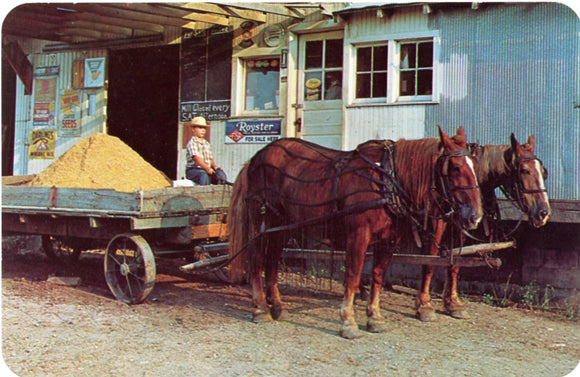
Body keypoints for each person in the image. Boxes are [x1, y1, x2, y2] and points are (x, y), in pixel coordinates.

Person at [185, 116, 228, 185]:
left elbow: (210, 159)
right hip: (193, 170)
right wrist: (207, 168)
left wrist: (215, 167)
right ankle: (204, 193)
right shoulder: (192, 143)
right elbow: (196, 158)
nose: (203, 130)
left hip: (205, 168)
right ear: (193, 129)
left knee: (220, 174)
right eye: (200, 128)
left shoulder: (206, 143)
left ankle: (219, 192)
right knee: (203, 174)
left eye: (204, 128)